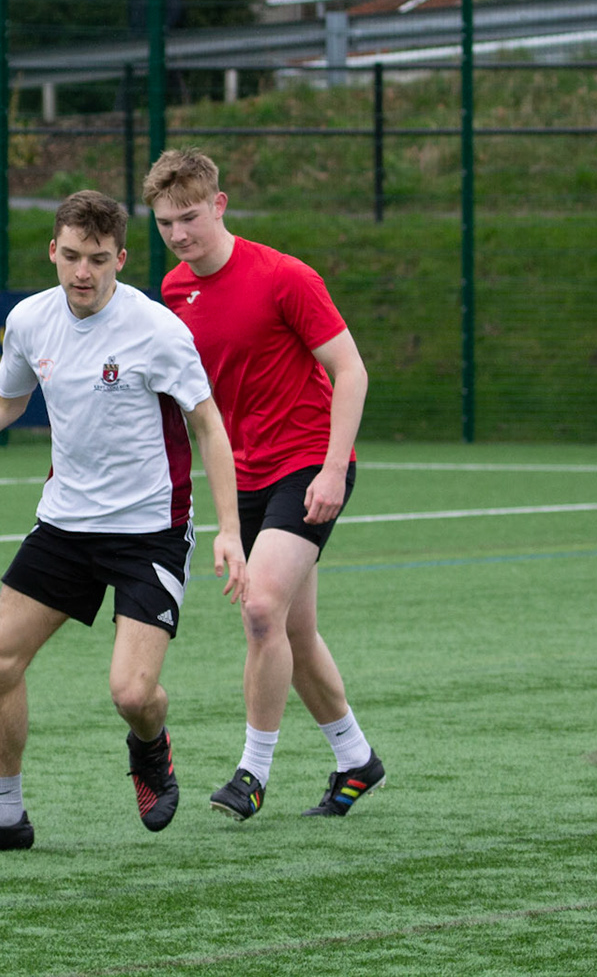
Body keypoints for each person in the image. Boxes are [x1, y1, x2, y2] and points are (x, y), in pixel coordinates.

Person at [0, 190, 244, 848]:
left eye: (99, 260)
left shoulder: (158, 330)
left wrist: (232, 533)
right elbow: (5, 400)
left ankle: (150, 744)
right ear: (53, 250)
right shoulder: (30, 320)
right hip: (65, 526)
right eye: (72, 256)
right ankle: (6, 818)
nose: (83, 272)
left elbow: (208, 426)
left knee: (132, 695)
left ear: (121, 260)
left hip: (150, 532)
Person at [146, 148, 385, 821]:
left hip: (308, 464)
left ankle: (252, 774)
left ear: (219, 205)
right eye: (164, 223)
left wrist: (334, 468)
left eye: (189, 217)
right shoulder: (173, 290)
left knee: (259, 612)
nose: (178, 234)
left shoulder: (285, 276)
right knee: (293, 633)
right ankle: (357, 759)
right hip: (244, 478)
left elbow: (351, 370)